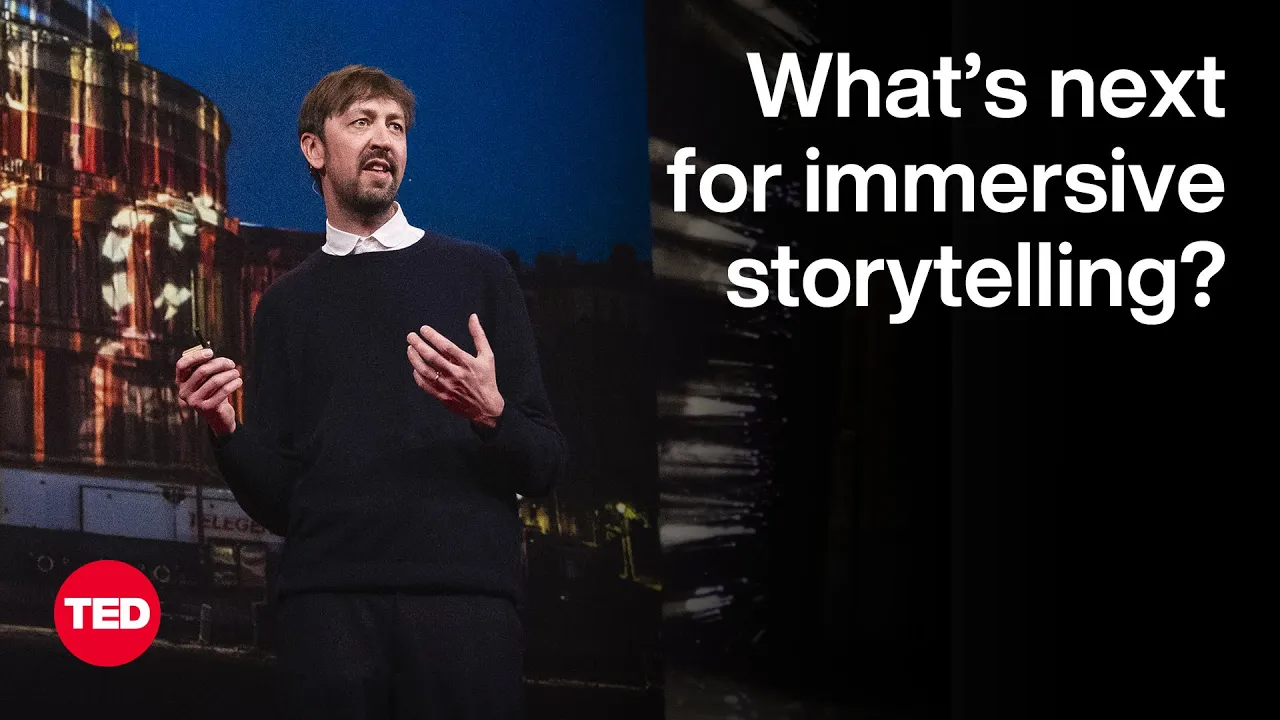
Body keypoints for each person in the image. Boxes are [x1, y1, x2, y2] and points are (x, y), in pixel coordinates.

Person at [173, 65, 568, 719]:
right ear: (314, 148)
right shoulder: (284, 306)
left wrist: (491, 414)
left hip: (465, 611)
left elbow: (545, 463)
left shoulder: (479, 275)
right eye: (361, 121)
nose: (384, 138)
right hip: (326, 614)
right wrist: (225, 429)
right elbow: (282, 502)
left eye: (396, 126)